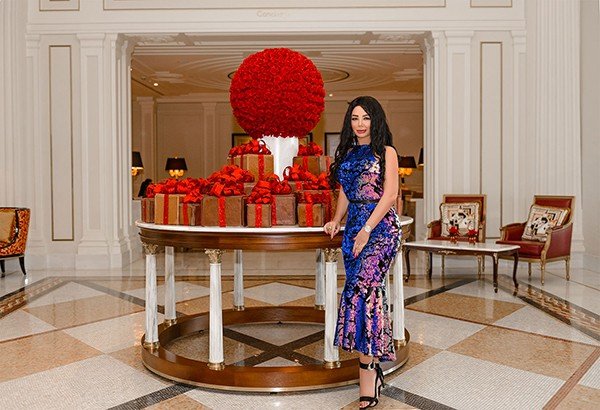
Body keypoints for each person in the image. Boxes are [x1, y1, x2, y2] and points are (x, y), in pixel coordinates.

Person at [324, 96, 400, 408]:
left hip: (379, 229)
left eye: (366, 117)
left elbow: (390, 194)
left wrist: (368, 229)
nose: (360, 124)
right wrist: (336, 220)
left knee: (366, 295)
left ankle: (367, 378)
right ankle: (372, 370)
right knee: (356, 295)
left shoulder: (386, 152)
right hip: (354, 228)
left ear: (376, 120)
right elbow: (345, 192)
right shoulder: (347, 153)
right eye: (355, 118)